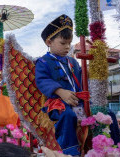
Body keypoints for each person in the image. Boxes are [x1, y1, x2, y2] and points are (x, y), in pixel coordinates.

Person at [35, 14, 85, 156]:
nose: (67, 47)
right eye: (63, 43)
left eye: (69, 43)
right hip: (57, 104)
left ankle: (114, 143)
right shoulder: (43, 62)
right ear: (49, 42)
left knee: (104, 112)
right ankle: (70, 151)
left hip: (79, 101)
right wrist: (60, 91)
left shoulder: (73, 62)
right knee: (67, 115)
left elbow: (82, 80)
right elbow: (42, 80)